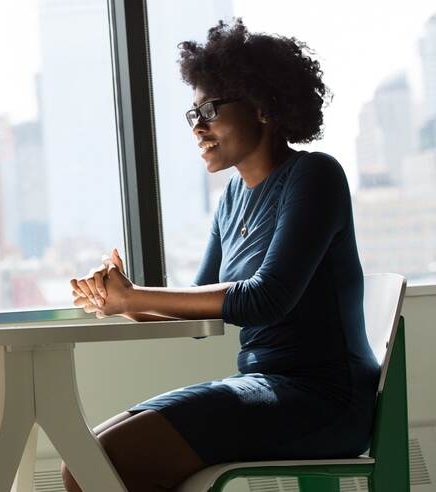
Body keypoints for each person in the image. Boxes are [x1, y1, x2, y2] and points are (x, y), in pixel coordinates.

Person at [65, 19, 379, 492]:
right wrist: (116, 300)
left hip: (324, 399)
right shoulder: (231, 198)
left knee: (102, 469)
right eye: (193, 116)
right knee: (83, 465)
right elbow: (199, 313)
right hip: (263, 386)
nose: (198, 127)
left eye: (209, 110)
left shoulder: (315, 176)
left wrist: (135, 298)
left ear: (263, 106)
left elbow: (265, 299)